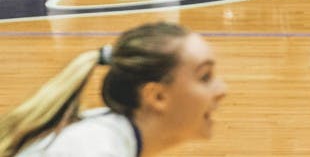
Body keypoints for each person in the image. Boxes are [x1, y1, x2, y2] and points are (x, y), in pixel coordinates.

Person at [0, 22, 226, 156]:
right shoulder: (95, 149)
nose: (222, 90)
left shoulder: (105, 135)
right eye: (204, 77)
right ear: (157, 96)